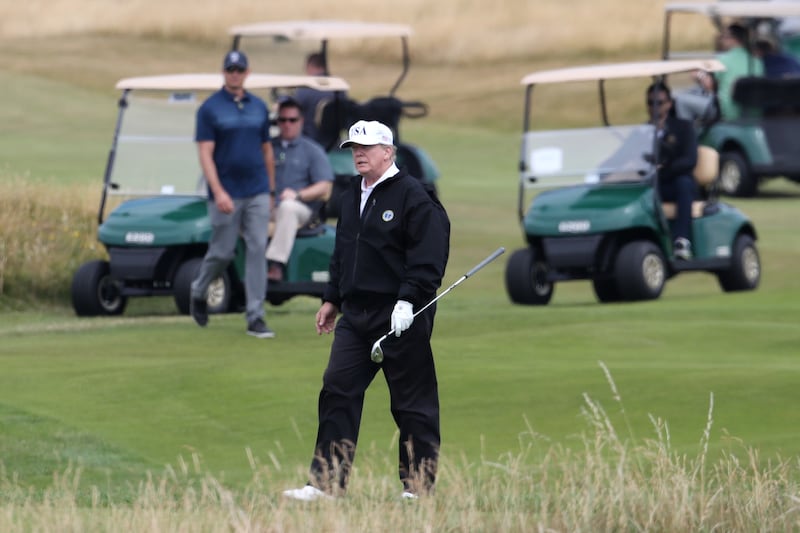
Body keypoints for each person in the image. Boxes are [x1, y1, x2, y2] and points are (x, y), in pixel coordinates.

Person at [282, 120, 451, 501]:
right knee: (337, 390)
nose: (358, 154)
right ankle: (325, 484)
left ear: (387, 152)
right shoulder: (350, 196)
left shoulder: (414, 196)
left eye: (366, 147)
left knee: (412, 402)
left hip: (401, 315)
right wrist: (331, 299)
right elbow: (342, 254)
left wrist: (409, 299)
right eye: (353, 148)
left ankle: (419, 488)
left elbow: (428, 257)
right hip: (356, 316)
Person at [190, 50, 277, 338]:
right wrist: (218, 191)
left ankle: (255, 316)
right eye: (230, 69)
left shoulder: (259, 107)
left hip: (257, 190)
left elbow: (267, 150)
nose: (235, 74)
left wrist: (271, 189)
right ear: (224, 72)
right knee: (223, 252)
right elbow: (205, 153)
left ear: (247, 73)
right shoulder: (210, 108)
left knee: (256, 249)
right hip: (226, 192)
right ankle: (199, 290)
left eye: (239, 70)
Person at [266, 98, 335, 281]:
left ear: (301, 121)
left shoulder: (312, 150)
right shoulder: (268, 148)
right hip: (270, 206)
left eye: (292, 120)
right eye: (283, 120)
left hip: (302, 210)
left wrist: (297, 195)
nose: (287, 124)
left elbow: (324, 185)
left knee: (287, 207)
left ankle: (276, 264)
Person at [647, 81, 698, 260]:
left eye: (659, 103)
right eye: (650, 103)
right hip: (652, 186)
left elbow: (690, 160)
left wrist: (663, 169)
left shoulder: (683, 127)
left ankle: (681, 241)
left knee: (684, 183)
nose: (654, 108)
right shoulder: (642, 131)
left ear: (669, 104)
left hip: (675, 184)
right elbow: (621, 156)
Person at [710, 23, 764, 119]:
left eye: (724, 37)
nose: (722, 40)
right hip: (755, 112)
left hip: (729, 112)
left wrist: (700, 76)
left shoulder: (722, 60)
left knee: (683, 102)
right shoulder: (756, 61)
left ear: (732, 39)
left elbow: (711, 86)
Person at [294, 52, 340, 143]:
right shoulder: (338, 87)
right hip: (334, 141)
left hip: (310, 140)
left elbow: (294, 110)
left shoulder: (305, 88)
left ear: (310, 66)